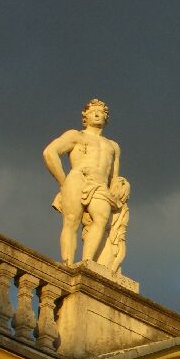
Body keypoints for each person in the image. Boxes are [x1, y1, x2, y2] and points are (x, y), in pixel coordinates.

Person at [43, 98, 127, 265]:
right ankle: (67, 264)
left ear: (106, 117)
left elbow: (114, 177)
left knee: (101, 219)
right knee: (71, 221)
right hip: (78, 178)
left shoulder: (113, 146)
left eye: (101, 112)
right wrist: (63, 182)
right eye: (92, 111)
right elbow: (49, 153)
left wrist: (120, 187)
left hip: (101, 186)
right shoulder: (76, 135)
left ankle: (87, 263)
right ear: (85, 117)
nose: (97, 114)